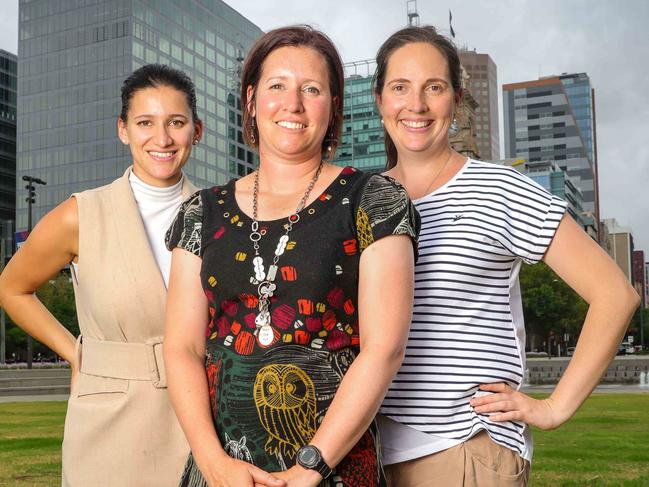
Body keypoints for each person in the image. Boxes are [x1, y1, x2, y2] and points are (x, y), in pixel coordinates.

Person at [372, 26, 640, 487]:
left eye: (433, 88)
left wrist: (554, 407)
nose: (415, 105)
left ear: (456, 100)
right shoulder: (364, 197)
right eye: (400, 87)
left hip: (463, 448)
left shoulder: (499, 189)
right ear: (380, 100)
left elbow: (615, 294)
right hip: (367, 450)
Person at [164, 26, 419, 487]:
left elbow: (385, 349)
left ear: (335, 104)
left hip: (336, 472)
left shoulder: (375, 200)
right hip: (221, 472)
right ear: (250, 99)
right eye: (277, 86)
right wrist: (212, 462)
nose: (293, 104)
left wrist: (311, 468)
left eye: (312, 89)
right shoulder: (201, 212)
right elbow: (182, 348)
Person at [0, 64, 204, 486]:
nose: (162, 138)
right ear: (123, 129)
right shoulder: (82, 214)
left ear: (196, 131)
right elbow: (12, 288)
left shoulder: (224, 213)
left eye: (176, 123)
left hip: (205, 415)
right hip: (108, 415)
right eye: (145, 122)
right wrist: (75, 352)